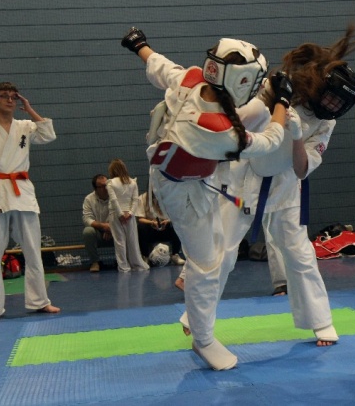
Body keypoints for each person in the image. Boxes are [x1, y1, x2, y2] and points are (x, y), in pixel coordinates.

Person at [121, 26, 293, 370]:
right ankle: (203, 339)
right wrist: (282, 102)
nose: (256, 87)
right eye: (253, 82)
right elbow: (270, 141)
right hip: (183, 191)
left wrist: (139, 45)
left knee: (219, 248)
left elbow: (159, 65)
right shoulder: (215, 128)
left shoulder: (192, 79)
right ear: (239, 81)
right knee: (207, 264)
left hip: (186, 174)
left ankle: (197, 309)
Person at [213, 24, 355, 346]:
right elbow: (243, 120)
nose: (334, 107)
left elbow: (302, 169)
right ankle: (196, 316)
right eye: (332, 99)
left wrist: (297, 136)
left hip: (286, 185)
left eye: (340, 104)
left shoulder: (326, 122)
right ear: (320, 86)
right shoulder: (282, 89)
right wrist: (274, 102)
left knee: (300, 255)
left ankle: (320, 322)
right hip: (246, 176)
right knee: (223, 250)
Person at [0, 81, 60, 321]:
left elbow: (48, 134)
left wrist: (30, 109)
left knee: (33, 250)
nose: (10, 100)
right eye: (4, 96)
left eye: (13, 97)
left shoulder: (25, 126)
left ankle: (40, 301)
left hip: (22, 191)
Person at [106, 159, 149, 273]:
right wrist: (130, 213)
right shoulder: (133, 182)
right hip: (130, 215)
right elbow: (135, 199)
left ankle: (124, 266)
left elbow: (113, 200)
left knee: (119, 241)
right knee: (132, 241)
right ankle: (137, 264)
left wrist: (120, 214)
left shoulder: (110, 183)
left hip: (115, 214)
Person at [135, 191, 185, 266]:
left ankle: (175, 255)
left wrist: (167, 221)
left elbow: (175, 216)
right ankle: (145, 257)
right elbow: (140, 219)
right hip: (151, 228)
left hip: (165, 227)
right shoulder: (142, 198)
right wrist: (151, 222)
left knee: (176, 224)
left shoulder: (168, 196)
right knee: (141, 227)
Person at [82, 174, 114, 272]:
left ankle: (124, 260)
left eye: (107, 185)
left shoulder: (116, 197)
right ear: (96, 189)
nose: (106, 188)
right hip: (99, 233)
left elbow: (120, 215)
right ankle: (95, 262)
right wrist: (103, 227)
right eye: (102, 186)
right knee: (87, 231)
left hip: (115, 231)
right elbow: (87, 219)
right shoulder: (89, 199)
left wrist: (111, 228)